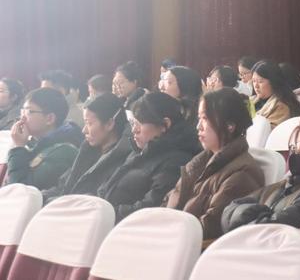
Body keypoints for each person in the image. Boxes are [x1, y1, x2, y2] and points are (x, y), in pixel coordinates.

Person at [164, 89, 264, 241]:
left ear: (230, 125)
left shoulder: (243, 173)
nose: (198, 126)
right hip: (171, 238)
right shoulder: (200, 162)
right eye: (199, 118)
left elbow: (209, 228)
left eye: (205, 118)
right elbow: (168, 203)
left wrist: (165, 234)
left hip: (191, 247)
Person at [98, 92, 196, 221]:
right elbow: (108, 186)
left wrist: (108, 214)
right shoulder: (140, 151)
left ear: (165, 124)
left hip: (129, 226)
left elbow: (151, 207)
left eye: (140, 124)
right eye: (133, 123)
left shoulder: (176, 162)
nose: (134, 130)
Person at [42, 93, 132, 203]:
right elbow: (63, 188)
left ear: (109, 124)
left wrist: (53, 202)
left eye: (89, 123)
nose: (84, 130)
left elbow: (94, 202)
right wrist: (40, 197)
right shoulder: (88, 150)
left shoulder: (125, 160)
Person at [7, 88, 83, 190]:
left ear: (49, 119)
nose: (22, 118)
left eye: (29, 111)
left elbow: (19, 191)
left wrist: (18, 147)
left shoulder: (63, 153)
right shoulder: (39, 141)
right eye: (22, 111)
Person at [251, 61, 300, 128]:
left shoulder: (282, 106)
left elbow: (267, 131)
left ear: (273, 82)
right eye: (254, 81)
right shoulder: (252, 100)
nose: (256, 86)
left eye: (260, 81)